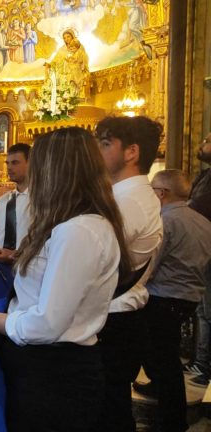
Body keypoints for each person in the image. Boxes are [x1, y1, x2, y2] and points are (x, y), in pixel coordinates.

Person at [0, 127, 132, 431]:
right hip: (45, 365)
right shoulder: (74, 225)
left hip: (53, 373)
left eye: (39, 166)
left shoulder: (78, 231)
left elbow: (46, 324)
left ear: (56, 171)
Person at [94, 115, 163, 432]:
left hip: (114, 318)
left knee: (109, 412)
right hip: (119, 316)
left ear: (131, 152)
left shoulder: (128, 201)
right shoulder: (128, 196)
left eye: (106, 144)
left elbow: (93, 262)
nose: (98, 151)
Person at [131, 170, 211, 432]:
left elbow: (150, 264)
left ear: (161, 193)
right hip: (189, 297)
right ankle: (157, 388)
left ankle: (172, 421)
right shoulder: (203, 222)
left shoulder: (166, 221)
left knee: (164, 360)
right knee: (159, 352)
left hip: (162, 297)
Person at [185, 132, 211, 384]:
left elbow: (197, 205)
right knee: (203, 310)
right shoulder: (205, 175)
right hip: (203, 248)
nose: (202, 144)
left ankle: (205, 366)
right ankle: (200, 361)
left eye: (209, 141)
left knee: (207, 311)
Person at [46, 29, 90, 98]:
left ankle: (78, 95)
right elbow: (56, 59)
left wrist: (75, 60)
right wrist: (50, 64)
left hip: (77, 69)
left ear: (72, 36)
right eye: (64, 38)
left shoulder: (79, 45)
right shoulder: (62, 49)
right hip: (66, 71)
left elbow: (84, 57)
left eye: (68, 36)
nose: (66, 39)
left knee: (76, 83)